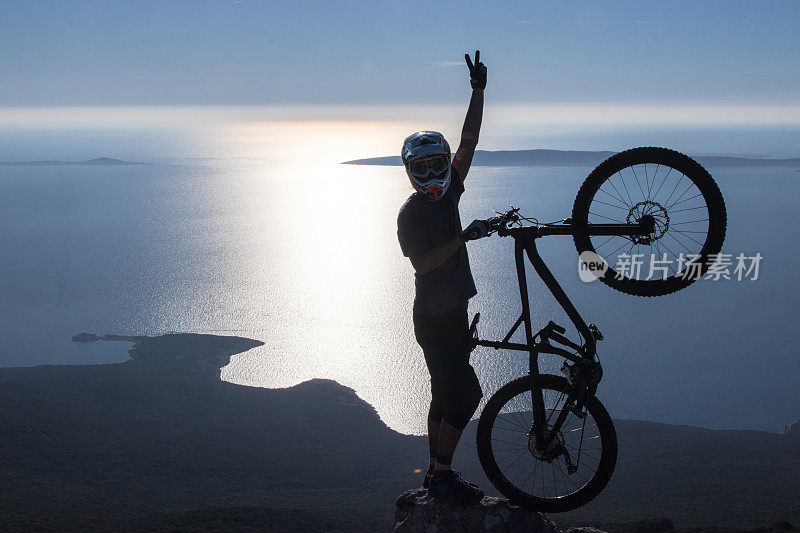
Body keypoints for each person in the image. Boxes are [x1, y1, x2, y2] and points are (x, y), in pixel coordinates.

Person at [396, 50, 489, 505]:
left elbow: (469, 142)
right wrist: (465, 237)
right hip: (434, 318)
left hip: (448, 312)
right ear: (410, 172)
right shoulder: (411, 214)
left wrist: (477, 91)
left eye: (439, 166)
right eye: (424, 168)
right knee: (466, 394)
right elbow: (423, 264)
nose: (435, 176)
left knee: (442, 393)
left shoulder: (449, 192)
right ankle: (444, 476)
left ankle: (434, 472)